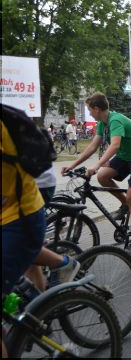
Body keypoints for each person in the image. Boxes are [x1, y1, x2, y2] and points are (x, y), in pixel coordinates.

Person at [62, 93, 131, 254]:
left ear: (97, 109)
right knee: (102, 176)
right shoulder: (102, 123)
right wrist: (72, 165)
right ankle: (125, 205)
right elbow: (92, 146)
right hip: (126, 157)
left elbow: (115, 145)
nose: (89, 113)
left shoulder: (115, 120)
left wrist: (96, 165)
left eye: (90, 110)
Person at [2, 118, 80, 301]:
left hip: (34, 189)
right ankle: (42, 304)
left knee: (23, 246)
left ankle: (61, 264)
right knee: (26, 252)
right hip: (18, 196)